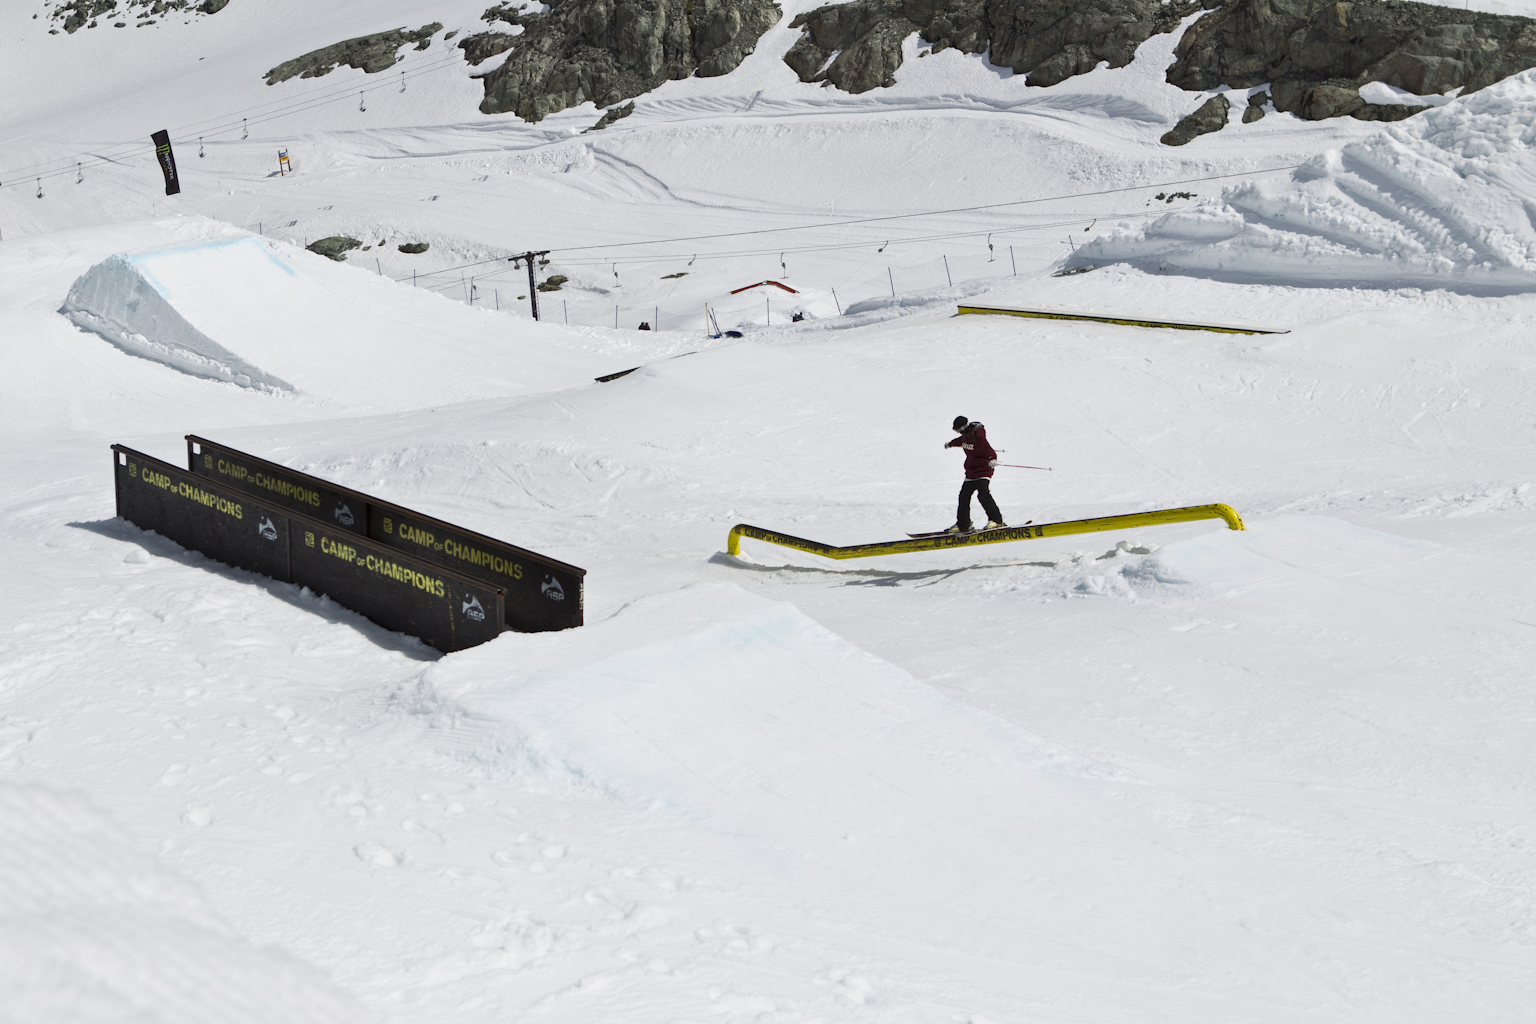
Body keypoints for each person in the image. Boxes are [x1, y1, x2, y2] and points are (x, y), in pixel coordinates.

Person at [944, 415, 1005, 533]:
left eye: (958, 430)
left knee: (983, 494)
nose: (958, 432)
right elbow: (959, 441)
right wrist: (950, 444)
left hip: (984, 469)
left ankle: (997, 521)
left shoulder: (978, 435)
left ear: (963, 427)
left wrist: (992, 458)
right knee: (963, 496)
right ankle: (963, 524)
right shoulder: (964, 437)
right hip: (971, 471)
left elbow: (986, 446)